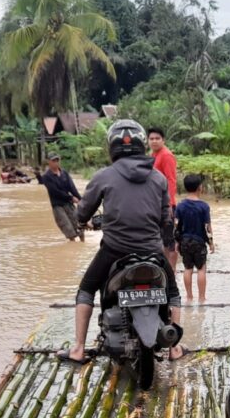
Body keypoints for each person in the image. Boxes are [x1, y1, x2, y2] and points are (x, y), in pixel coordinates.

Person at [61, 120, 185, 364]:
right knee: (173, 293)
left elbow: (82, 213)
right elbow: (166, 218)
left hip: (114, 251)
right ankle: (175, 349)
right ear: (142, 145)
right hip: (152, 250)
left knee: (86, 289)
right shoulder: (158, 178)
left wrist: (84, 220)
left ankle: (77, 349)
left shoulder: (103, 176)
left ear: (111, 147)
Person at [175, 174, 215, 301]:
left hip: (185, 241)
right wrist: (211, 242)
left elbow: (176, 226)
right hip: (199, 241)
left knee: (187, 269)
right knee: (201, 269)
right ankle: (202, 298)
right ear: (200, 188)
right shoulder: (204, 206)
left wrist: (177, 242)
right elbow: (208, 227)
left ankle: (189, 296)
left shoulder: (180, 206)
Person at [149, 127, 179, 268]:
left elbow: (171, 180)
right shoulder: (153, 155)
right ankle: (163, 268)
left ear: (163, 140)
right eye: (151, 139)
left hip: (166, 205)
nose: (154, 141)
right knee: (160, 238)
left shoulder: (166, 155)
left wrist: (170, 203)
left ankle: (171, 271)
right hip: (155, 203)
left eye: (157, 138)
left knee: (169, 240)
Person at [38, 154, 84, 241]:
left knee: (79, 225)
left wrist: (80, 199)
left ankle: (82, 243)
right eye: (53, 161)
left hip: (68, 203)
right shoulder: (46, 177)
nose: (56, 163)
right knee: (68, 228)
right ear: (49, 162)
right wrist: (71, 198)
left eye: (57, 160)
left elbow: (72, 187)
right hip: (58, 205)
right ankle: (73, 247)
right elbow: (55, 191)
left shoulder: (64, 173)